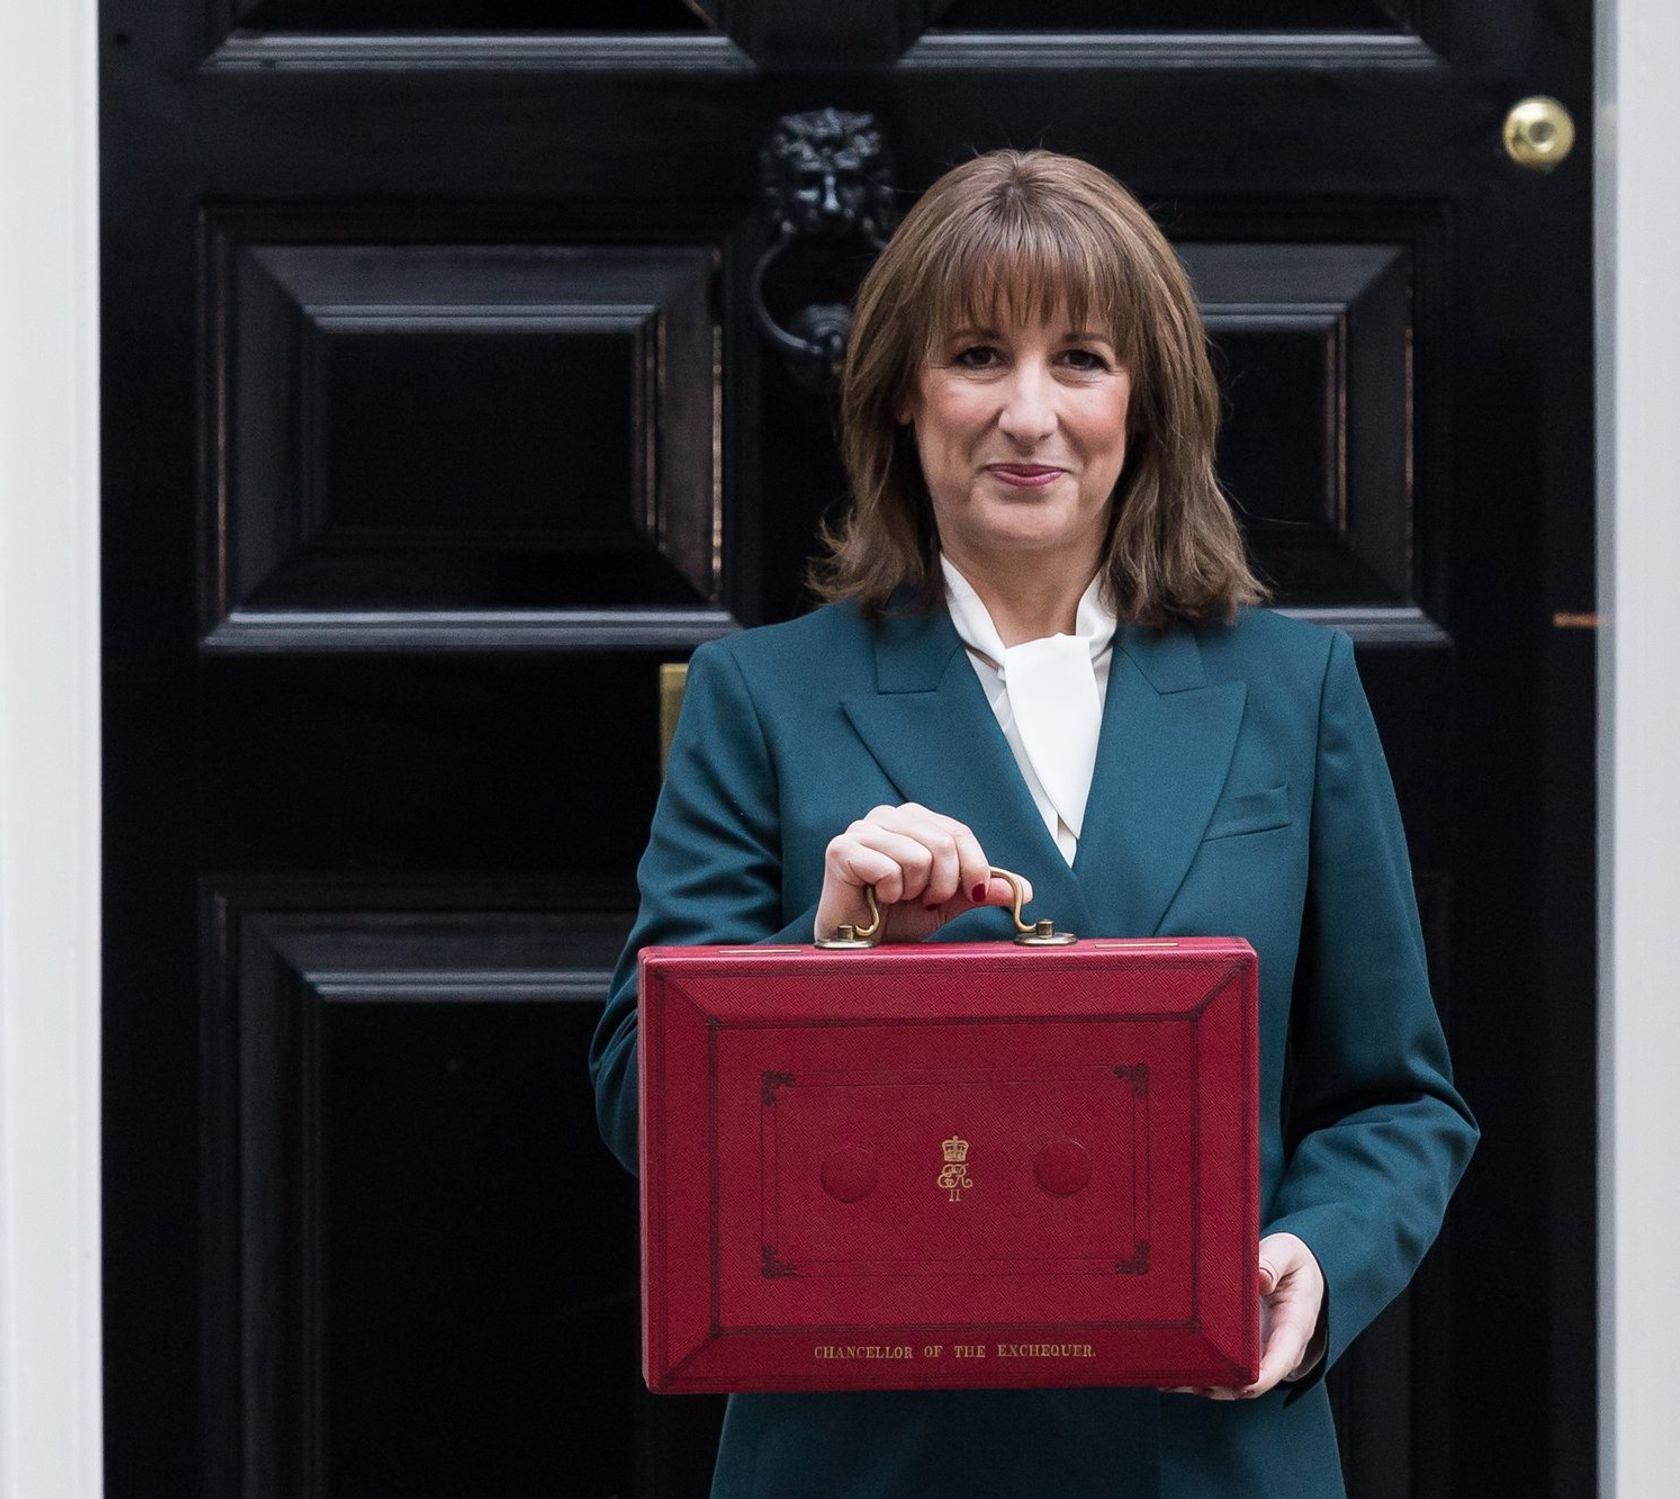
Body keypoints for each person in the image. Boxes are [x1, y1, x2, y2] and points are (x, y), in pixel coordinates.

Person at [590, 147, 1478, 1499]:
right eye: (975, 357)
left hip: (1203, 1455)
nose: (1027, 413)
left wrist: (1316, 1260)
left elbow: (1397, 1097)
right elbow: (635, 1101)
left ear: (1145, 401)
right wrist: (826, 954)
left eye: (1079, 360)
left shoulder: (1292, 691)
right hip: (868, 1461)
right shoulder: (761, 696)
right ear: (901, 393)